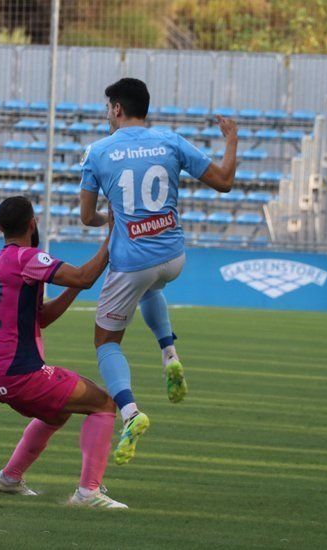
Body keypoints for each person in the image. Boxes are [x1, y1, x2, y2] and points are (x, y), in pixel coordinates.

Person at [79, 77, 238, 464]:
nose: (107, 115)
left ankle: (130, 413)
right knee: (153, 286)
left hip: (131, 265)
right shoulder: (171, 140)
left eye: (107, 108)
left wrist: (108, 218)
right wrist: (231, 139)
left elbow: (86, 217)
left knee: (106, 343)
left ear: (117, 109)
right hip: (173, 257)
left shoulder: (98, 151)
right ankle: (169, 352)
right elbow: (225, 182)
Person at [0, 196, 127, 508]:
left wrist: (73, 287)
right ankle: (88, 493)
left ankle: (9, 478)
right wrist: (113, 235)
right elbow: (85, 276)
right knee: (103, 403)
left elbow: (42, 317)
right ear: (33, 223)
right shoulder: (27, 258)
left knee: (57, 412)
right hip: (21, 373)